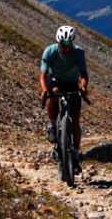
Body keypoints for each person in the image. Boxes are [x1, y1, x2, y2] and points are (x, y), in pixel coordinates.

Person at [39, 25, 89, 173]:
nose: (66, 48)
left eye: (69, 45)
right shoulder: (50, 51)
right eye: (63, 44)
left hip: (72, 83)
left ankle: (75, 153)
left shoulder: (79, 52)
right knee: (53, 92)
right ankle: (54, 125)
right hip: (56, 81)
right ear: (58, 42)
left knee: (75, 121)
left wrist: (83, 86)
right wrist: (44, 90)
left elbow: (84, 74)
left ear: (72, 42)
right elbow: (43, 75)